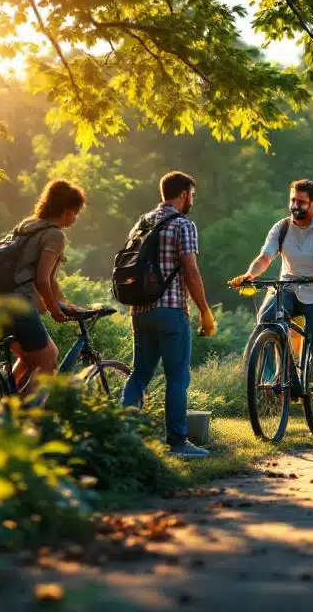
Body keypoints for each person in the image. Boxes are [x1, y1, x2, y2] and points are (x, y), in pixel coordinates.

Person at [231, 180, 313, 441]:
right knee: (266, 320)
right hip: (288, 287)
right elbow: (265, 257)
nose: (295, 206)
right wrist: (250, 274)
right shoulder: (281, 228)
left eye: (301, 202)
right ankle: (279, 376)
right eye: (292, 200)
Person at [122, 171, 217, 460]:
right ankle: (177, 441)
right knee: (177, 377)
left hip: (139, 311)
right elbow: (190, 269)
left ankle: (122, 434)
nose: (193, 201)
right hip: (171, 310)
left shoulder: (142, 222)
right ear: (184, 194)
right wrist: (204, 310)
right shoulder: (182, 224)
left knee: (139, 375)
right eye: (192, 195)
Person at [9, 179, 87, 395]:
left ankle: (2, 399)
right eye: (76, 211)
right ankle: (27, 416)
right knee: (49, 358)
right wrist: (55, 311)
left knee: (28, 357)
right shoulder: (55, 234)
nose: (76, 217)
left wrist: (65, 304)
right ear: (67, 210)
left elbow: (50, 281)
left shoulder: (27, 225)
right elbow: (42, 280)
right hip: (19, 303)